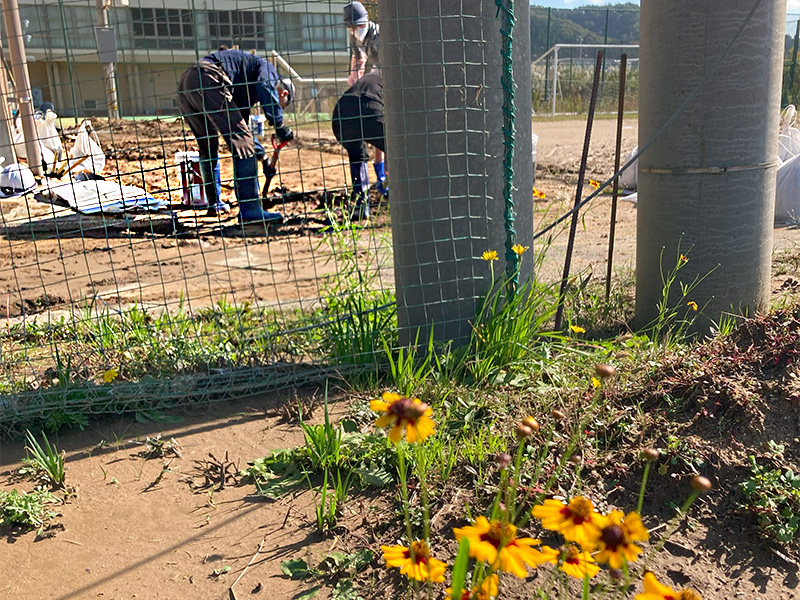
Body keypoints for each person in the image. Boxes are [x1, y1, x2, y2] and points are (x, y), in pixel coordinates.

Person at [177, 49, 294, 222]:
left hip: (187, 83)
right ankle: (251, 211)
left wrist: (263, 158)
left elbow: (242, 129)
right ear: (283, 94)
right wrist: (279, 124)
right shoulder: (267, 69)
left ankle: (214, 203)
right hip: (209, 76)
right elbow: (265, 87)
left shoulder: (243, 85)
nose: (279, 107)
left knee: (208, 145)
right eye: (282, 105)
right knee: (241, 144)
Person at [342, 2, 387, 199]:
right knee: (377, 128)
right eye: (352, 28)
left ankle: (385, 178)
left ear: (366, 22)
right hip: (377, 79)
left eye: (359, 26)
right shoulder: (356, 38)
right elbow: (359, 58)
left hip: (387, 80)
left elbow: (387, 64)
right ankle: (381, 177)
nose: (356, 31)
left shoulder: (378, 37)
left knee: (384, 131)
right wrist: (354, 76)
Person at [332, 71, 385, 220]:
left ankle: (361, 207)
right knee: (398, 149)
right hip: (369, 108)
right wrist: (384, 170)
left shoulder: (371, 78)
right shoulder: (393, 80)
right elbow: (386, 137)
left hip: (341, 115)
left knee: (357, 155)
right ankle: (402, 199)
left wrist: (382, 167)